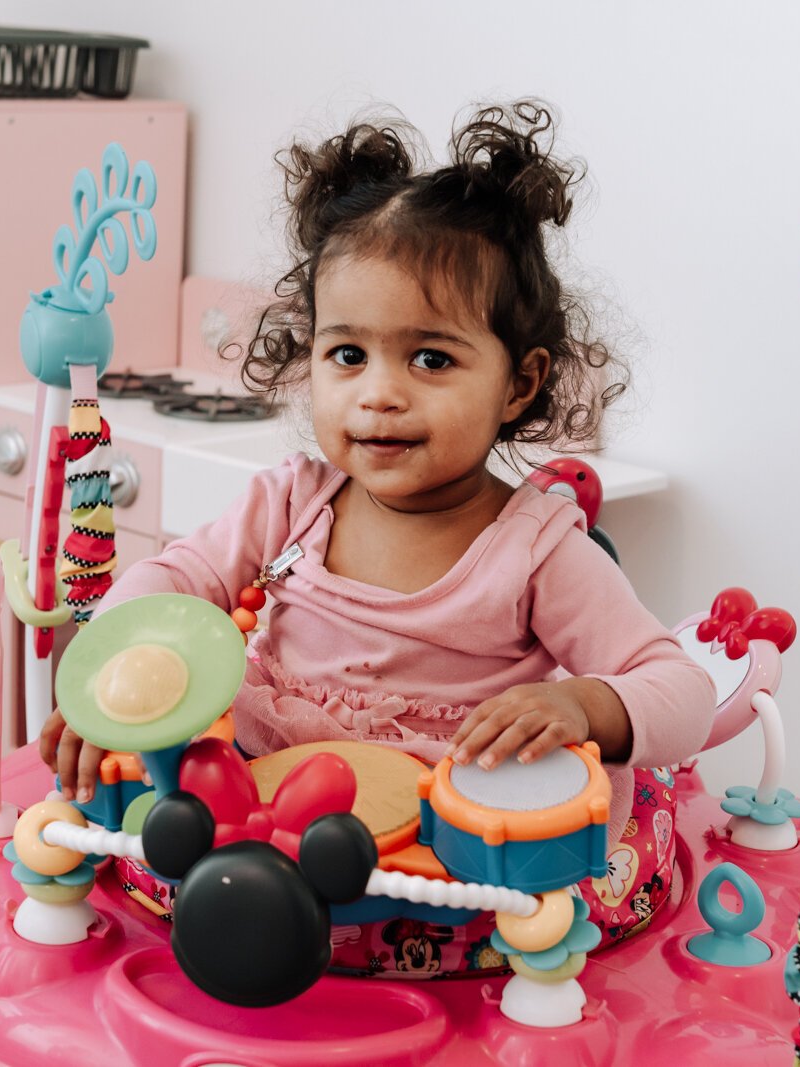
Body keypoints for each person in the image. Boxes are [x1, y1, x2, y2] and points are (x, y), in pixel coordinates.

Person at [39, 100, 716, 974]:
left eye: (430, 358)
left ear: (520, 383)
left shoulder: (537, 547)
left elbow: (680, 689)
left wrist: (581, 704)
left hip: (444, 868)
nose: (378, 394)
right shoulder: (292, 501)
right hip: (262, 824)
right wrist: (113, 679)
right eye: (347, 354)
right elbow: (177, 577)